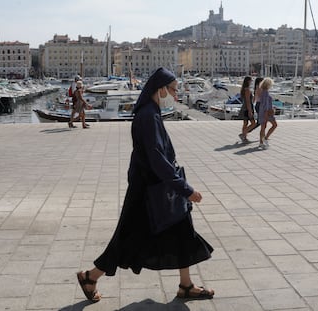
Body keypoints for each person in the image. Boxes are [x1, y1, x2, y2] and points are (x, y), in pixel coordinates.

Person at [76, 67, 214, 303]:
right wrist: (186, 189)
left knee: (182, 230)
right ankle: (90, 276)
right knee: (128, 238)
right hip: (150, 190)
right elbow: (157, 159)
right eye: (173, 90)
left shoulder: (150, 111)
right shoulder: (148, 115)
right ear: (161, 89)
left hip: (156, 186)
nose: (175, 95)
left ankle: (186, 285)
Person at [258, 77, 277, 149]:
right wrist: (266, 113)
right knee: (274, 125)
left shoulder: (263, 92)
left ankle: (261, 142)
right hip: (266, 112)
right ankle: (265, 139)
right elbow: (265, 104)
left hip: (263, 111)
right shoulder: (265, 92)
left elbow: (263, 103)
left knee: (263, 127)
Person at [238, 76, 256, 142]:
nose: (251, 82)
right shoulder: (247, 90)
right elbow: (248, 101)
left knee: (245, 123)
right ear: (248, 81)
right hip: (248, 108)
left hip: (244, 107)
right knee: (253, 123)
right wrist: (250, 111)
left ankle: (244, 137)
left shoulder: (243, 89)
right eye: (251, 80)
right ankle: (243, 134)